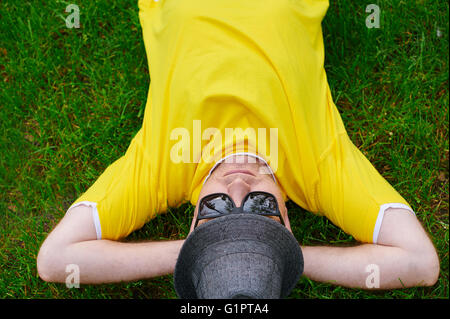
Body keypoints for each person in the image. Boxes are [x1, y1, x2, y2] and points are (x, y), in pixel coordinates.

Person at [37, 0, 439, 291]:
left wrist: (198, 251)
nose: (238, 188)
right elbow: (419, 263)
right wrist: (285, 257)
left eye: (216, 211)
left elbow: (56, 259)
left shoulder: (160, 171)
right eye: (262, 209)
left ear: (193, 222)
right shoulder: (318, 171)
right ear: (287, 219)